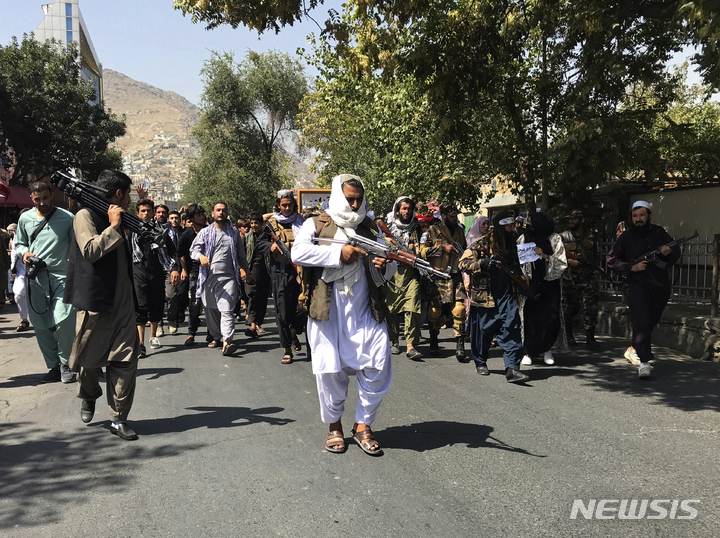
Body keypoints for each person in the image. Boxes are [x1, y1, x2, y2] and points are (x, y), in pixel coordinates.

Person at [292, 174, 396, 455]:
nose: (354, 204)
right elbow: (298, 252)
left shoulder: (370, 227)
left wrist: (383, 263)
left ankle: (363, 424)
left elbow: (388, 270)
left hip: (364, 309)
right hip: (328, 311)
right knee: (330, 370)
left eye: (359, 199)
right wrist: (339, 255)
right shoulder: (316, 224)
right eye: (349, 198)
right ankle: (334, 426)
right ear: (338, 197)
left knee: (379, 361)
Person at [65, 170, 140, 440]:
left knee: (125, 361)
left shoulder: (122, 217)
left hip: (123, 303)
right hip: (96, 302)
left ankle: (118, 418)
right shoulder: (84, 215)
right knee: (88, 362)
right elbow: (90, 251)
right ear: (118, 193)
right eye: (129, 193)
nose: (130, 199)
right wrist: (113, 227)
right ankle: (88, 394)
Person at [606, 201, 680, 378]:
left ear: (649, 216)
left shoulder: (659, 232)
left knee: (650, 321)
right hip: (636, 285)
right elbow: (611, 260)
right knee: (641, 321)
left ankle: (634, 347)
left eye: (641, 215)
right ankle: (644, 362)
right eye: (635, 216)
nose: (638, 219)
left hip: (659, 285)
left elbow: (676, 251)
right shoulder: (626, 237)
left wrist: (668, 253)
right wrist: (631, 267)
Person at [14, 182, 76, 384]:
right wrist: (25, 253)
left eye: (45, 198)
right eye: (37, 199)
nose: (42, 202)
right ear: (32, 198)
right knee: (41, 325)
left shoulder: (67, 218)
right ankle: (53, 367)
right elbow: (20, 242)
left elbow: (77, 244)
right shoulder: (25, 218)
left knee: (64, 320)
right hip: (36, 278)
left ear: (52, 195)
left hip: (62, 277)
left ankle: (66, 363)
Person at [458, 210, 529, 383]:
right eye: (509, 226)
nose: (513, 229)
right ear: (500, 227)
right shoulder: (481, 244)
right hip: (485, 297)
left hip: (507, 296)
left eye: (514, 226)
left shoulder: (513, 246)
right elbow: (462, 263)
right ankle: (480, 361)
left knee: (512, 329)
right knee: (482, 332)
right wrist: (482, 263)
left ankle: (512, 368)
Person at [190, 201, 249, 356]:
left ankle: (227, 342)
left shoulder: (234, 234)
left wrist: (246, 271)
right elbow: (193, 250)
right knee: (211, 309)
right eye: (218, 210)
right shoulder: (205, 232)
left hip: (229, 278)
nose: (221, 213)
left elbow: (241, 256)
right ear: (213, 213)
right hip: (209, 277)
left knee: (227, 310)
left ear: (227, 213)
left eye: (223, 210)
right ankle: (216, 336)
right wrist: (201, 256)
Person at [257, 190, 306, 364]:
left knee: (303, 307)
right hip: (280, 273)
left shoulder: (302, 222)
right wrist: (270, 247)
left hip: (300, 272)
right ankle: (287, 349)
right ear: (278, 205)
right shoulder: (271, 223)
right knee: (282, 312)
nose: (287, 208)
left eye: (290, 205)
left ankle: (294, 331)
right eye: (284, 205)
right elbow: (259, 243)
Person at [518, 212, 568, 366]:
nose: (529, 224)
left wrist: (545, 256)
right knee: (531, 318)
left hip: (550, 285)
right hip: (531, 285)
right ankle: (529, 352)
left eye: (532, 221)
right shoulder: (523, 238)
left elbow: (561, 261)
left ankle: (547, 349)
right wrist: (524, 275)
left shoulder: (554, 238)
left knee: (551, 317)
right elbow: (519, 259)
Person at [421, 202, 468, 360]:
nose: (455, 218)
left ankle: (460, 343)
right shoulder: (433, 231)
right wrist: (442, 249)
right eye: (452, 215)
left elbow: (465, 250)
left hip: (455, 274)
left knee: (459, 309)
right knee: (435, 311)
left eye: (456, 215)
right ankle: (434, 340)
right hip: (438, 275)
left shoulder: (460, 231)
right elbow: (422, 252)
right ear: (444, 216)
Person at [130, 199, 178, 356]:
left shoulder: (161, 231)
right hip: (138, 271)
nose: (145, 213)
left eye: (148, 211)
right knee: (141, 306)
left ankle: (152, 336)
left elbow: (172, 250)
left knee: (157, 304)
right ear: (137, 213)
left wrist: (175, 269)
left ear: (153, 213)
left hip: (157, 271)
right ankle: (140, 343)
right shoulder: (132, 229)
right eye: (142, 211)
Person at [385, 197, 423, 360]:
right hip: (392, 272)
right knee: (391, 309)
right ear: (398, 210)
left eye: (409, 208)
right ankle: (394, 341)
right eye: (404, 208)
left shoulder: (417, 229)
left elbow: (423, 248)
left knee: (413, 307)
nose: (406, 211)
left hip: (411, 273)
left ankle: (410, 345)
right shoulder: (387, 229)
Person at [561, 210, 600, 348]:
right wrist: (569, 261)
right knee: (570, 308)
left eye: (574, 218)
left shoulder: (591, 237)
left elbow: (596, 255)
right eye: (569, 219)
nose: (571, 221)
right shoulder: (563, 237)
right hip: (569, 278)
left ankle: (590, 337)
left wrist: (596, 268)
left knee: (591, 307)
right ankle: (569, 335)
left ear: (581, 220)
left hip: (587, 277)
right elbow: (556, 256)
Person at [177, 203, 206, 346]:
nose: (201, 217)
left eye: (202, 214)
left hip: (211, 271)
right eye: (198, 215)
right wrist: (183, 270)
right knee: (195, 302)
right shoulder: (186, 235)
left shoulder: (209, 231)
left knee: (213, 305)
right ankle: (191, 334)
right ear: (192, 218)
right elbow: (181, 254)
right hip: (194, 271)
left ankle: (214, 334)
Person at [243, 212, 271, 339]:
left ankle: (258, 322)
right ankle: (252, 325)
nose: (253, 226)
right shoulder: (247, 237)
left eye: (256, 223)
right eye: (252, 223)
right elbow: (241, 255)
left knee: (262, 297)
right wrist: (242, 270)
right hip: (251, 271)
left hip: (266, 271)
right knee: (252, 296)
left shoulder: (268, 236)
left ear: (261, 224)